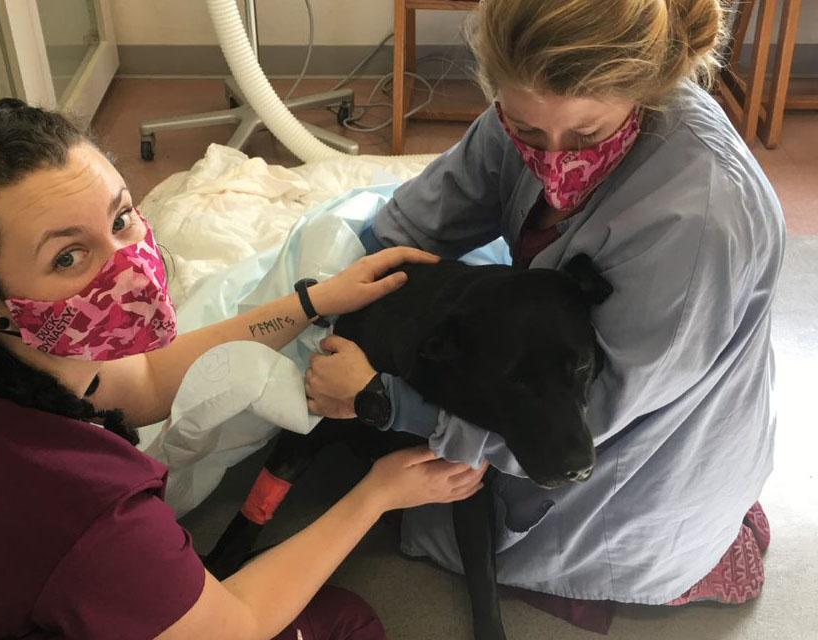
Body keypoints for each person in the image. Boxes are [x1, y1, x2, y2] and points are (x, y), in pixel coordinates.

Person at [0, 100, 487, 639]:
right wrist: (377, 495)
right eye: (67, 258)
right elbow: (235, 627)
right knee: (342, 621)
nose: (131, 267)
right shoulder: (79, 502)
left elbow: (140, 385)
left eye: (121, 217)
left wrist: (312, 301)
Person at [304, 0, 785, 627]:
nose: (555, 163)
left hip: (632, 437)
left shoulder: (700, 222)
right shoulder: (528, 104)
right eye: (528, 133)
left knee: (432, 507)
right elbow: (417, 221)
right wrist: (340, 290)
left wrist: (385, 401)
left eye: (586, 137)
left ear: (645, 92)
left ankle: (670, 553)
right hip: (564, 370)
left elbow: (592, 413)